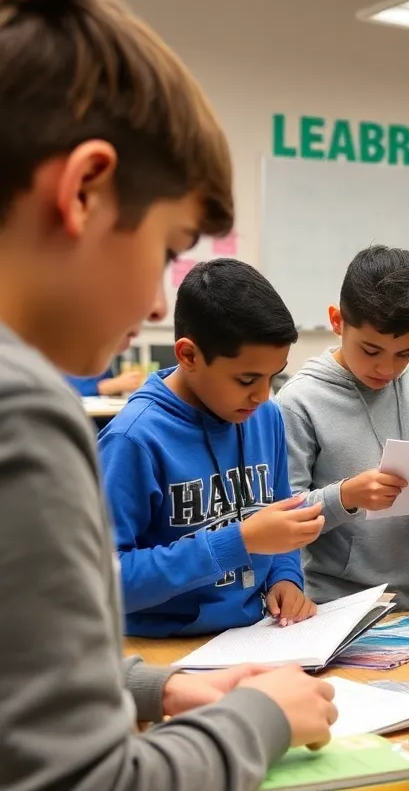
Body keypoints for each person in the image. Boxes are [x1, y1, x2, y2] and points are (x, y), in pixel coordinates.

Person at [0, 0, 336, 791]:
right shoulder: (25, 413)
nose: (154, 296)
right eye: (170, 244)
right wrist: (262, 718)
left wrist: (148, 696)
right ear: (87, 190)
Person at [99, 258, 322, 636]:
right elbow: (104, 581)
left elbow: (283, 521)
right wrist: (238, 541)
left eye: (274, 376)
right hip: (162, 652)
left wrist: (286, 578)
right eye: (247, 378)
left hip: (255, 638)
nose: (262, 394)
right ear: (187, 356)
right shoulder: (133, 440)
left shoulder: (265, 417)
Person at [277, 245, 409, 608]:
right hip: (335, 606)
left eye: (404, 353)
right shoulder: (299, 401)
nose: (386, 368)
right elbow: (284, 515)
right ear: (337, 321)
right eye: (370, 350)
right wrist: (346, 496)